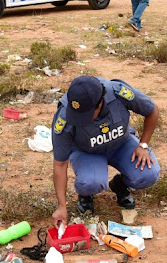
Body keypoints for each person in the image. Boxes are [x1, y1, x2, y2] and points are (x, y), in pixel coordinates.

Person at [50, 76, 160, 227]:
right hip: (87, 152)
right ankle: (86, 195)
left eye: (85, 115)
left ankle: (119, 185)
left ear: (100, 104)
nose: (79, 120)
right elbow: (60, 165)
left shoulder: (118, 94)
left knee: (148, 174)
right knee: (91, 182)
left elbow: (152, 110)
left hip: (121, 144)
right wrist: (62, 206)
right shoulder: (64, 117)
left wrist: (143, 145)